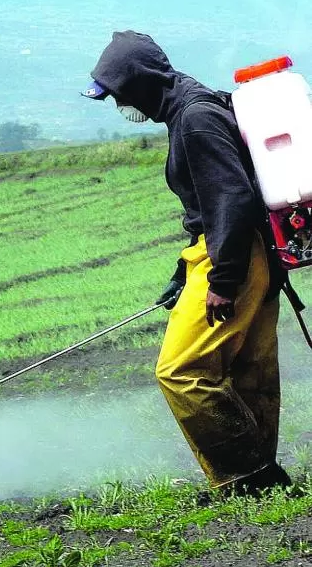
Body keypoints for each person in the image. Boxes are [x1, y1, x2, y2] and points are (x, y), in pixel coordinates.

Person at [82, 30, 292, 496]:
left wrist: (222, 279)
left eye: (117, 94)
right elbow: (218, 204)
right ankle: (263, 481)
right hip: (243, 250)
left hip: (234, 255)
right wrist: (185, 271)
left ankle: (246, 478)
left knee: (180, 370)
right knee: (247, 370)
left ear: (137, 83)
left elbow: (230, 199)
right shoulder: (195, 106)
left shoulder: (194, 118)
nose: (119, 105)